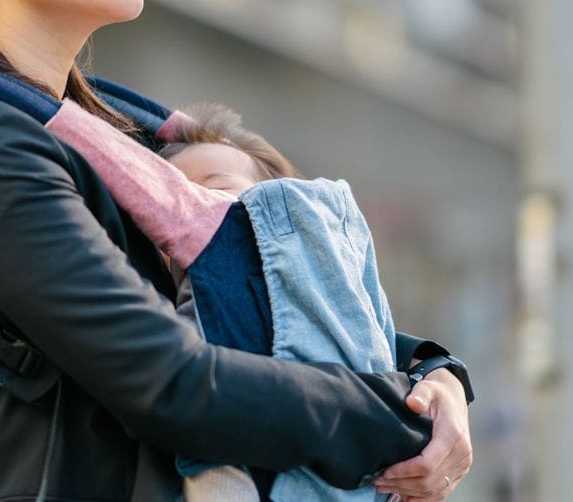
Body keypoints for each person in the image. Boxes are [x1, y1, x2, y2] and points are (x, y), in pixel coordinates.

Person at [0, 0, 473, 500]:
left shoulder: (122, 132)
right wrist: (397, 416)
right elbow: (170, 383)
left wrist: (434, 378)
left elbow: (282, 296)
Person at [46, 101, 404, 501]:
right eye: (168, 195)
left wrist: (36, 107)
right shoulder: (172, 291)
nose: (189, 201)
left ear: (275, 202)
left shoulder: (266, 242)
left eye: (215, 186)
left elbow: (111, 156)